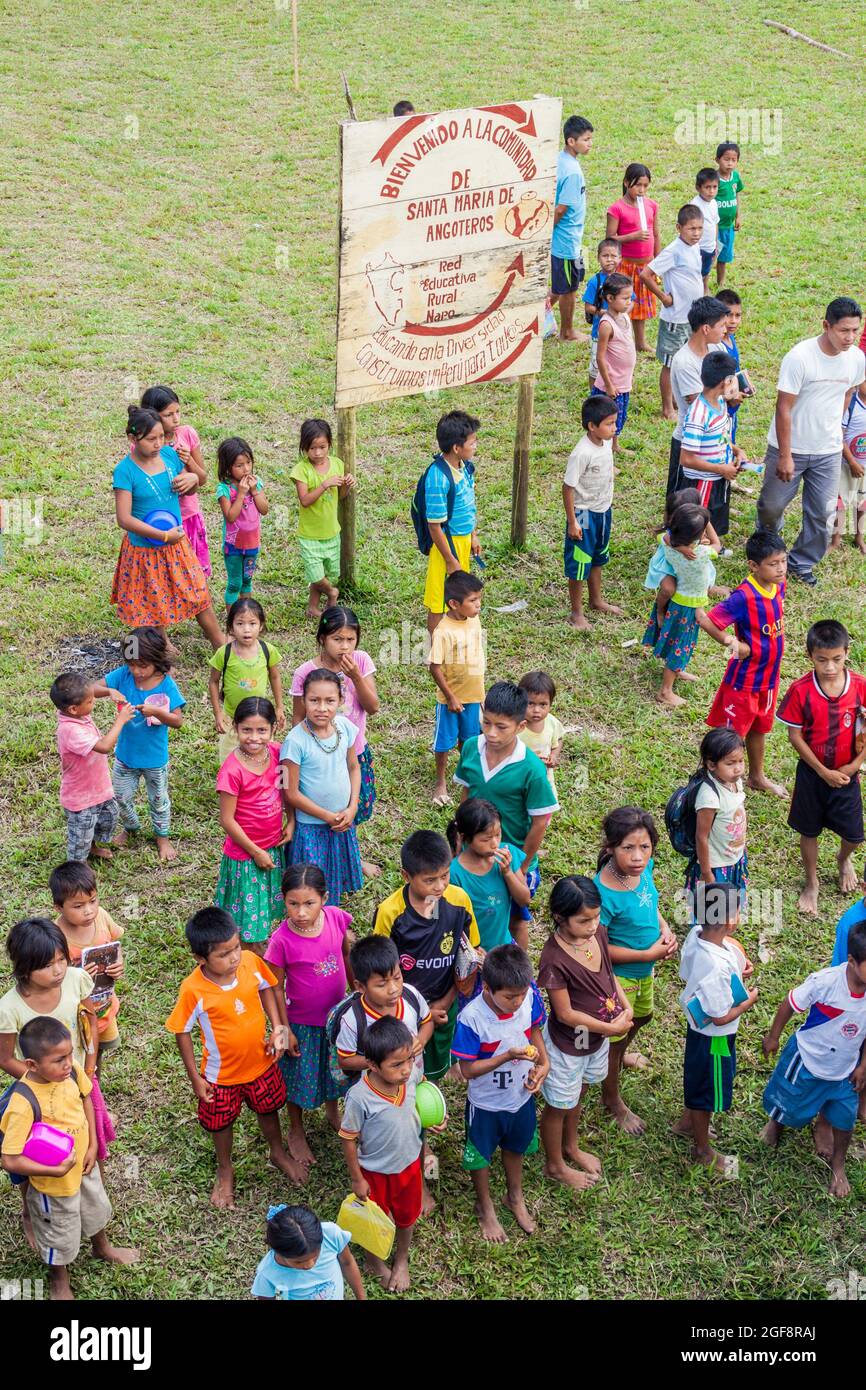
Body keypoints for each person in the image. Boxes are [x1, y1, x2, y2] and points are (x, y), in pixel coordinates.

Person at [165, 907, 302, 1208]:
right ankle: (225, 1168)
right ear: (201, 958)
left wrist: (278, 1027)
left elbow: (269, 988)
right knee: (220, 1123)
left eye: (236, 948)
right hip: (220, 1076)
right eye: (224, 954)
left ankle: (277, 1151)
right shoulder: (193, 990)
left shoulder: (251, 963)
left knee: (268, 1109)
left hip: (261, 1063)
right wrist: (195, 1078)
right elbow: (181, 1032)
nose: (235, 957)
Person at [0, 1018, 138, 1299]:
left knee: (95, 1208)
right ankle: (59, 1280)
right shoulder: (23, 1103)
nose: (67, 1063)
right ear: (32, 1065)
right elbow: (9, 1161)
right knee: (58, 1232)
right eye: (58, 1059)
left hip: (84, 1166)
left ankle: (102, 1247)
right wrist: (55, 1171)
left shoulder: (71, 1071)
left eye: (68, 1055)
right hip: (53, 1186)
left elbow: (86, 1097)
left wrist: (93, 1146)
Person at [757, 298, 865, 587]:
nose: (850, 337)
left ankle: (800, 563)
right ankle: (767, 547)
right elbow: (784, 407)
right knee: (771, 507)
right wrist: (785, 455)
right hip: (791, 448)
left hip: (828, 450)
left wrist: (834, 426)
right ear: (826, 326)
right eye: (844, 330)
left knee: (822, 513)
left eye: (855, 330)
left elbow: (848, 392)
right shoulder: (800, 357)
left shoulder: (856, 358)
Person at [538, 876, 632, 1189]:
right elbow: (564, 1014)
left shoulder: (599, 935)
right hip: (568, 1045)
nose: (592, 925)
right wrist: (611, 1027)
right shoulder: (553, 960)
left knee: (579, 1092)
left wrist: (624, 1003)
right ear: (559, 918)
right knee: (558, 1105)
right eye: (584, 920)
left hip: (597, 1040)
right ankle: (555, 1165)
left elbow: (609, 974)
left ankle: (571, 1145)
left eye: (596, 917)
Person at [761, 919, 866, 1199]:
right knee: (787, 1101)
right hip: (806, 1061)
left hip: (843, 1073)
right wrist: (773, 1037)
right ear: (853, 961)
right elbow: (789, 1004)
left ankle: (838, 1167)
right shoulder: (826, 982)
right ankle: (776, 1123)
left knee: (845, 1122)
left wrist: (862, 1066)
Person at [451, 944, 549, 1242]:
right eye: (509, 997)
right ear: (488, 988)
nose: (517, 1002)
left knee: (516, 1146)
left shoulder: (528, 997)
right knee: (480, 1155)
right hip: (486, 1104)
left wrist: (543, 1064)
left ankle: (514, 1196)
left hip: (520, 1097)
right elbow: (467, 1071)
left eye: (521, 995)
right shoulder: (472, 1019)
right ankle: (485, 1205)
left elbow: (534, 1031)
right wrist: (507, 1057)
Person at [454, 682, 560, 950]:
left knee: (515, 919)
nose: (491, 733)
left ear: (520, 727)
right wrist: (459, 839)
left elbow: (540, 822)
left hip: (509, 859)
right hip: (473, 852)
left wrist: (522, 867)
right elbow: (466, 795)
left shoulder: (531, 768)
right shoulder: (470, 748)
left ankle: (519, 978)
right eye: (486, 722)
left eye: (501, 727)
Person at [0, 917, 114, 1165]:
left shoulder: (77, 979)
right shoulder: (9, 1009)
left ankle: (95, 1193)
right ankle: (33, 1203)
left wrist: (88, 1069)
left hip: (82, 1078)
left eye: (62, 959)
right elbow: (6, 1059)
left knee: (91, 1144)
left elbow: (90, 1022)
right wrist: (46, 1080)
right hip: (41, 1090)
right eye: (47, 965)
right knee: (41, 1151)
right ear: (24, 968)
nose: (59, 969)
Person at [264, 863, 354, 1168]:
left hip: (336, 1018)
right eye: (293, 904)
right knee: (298, 1077)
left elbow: (345, 954)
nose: (301, 912)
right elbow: (274, 989)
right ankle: (296, 1129)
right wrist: (282, 1029)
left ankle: (332, 1111)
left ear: (324, 898)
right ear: (283, 900)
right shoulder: (281, 940)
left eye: (309, 903)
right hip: (300, 1024)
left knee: (334, 1069)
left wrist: (357, 992)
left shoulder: (336, 919)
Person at [594, 807, 677, 1134]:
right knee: (616, 1037)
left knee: (643, 1017)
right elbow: (599, 948)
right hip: (620, 976)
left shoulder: (646, 869)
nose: (638, 856)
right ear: (610, 847)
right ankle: (611, 1099)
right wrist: (646, 953)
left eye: (644, 847)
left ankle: (622, 1053)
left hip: (646, 968)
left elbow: (651, 904)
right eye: (628, 848)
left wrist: (664, 928)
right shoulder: (601, 893)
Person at [110, 404, 221, 647]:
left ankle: (219, 642)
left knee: (198, 592)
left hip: (175, 542)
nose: (158, 443)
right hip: (145, 549)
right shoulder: (125, 472)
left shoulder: (170, 457)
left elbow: (190, 486)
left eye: (161, 436)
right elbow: (124, 519)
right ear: (132, 438)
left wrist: (192, 478)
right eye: (151, 439)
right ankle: (162, 645)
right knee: (151, 599)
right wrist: (163, 535)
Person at [372, 830, 479, 1081]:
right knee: (403, 1065)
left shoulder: (459, 901)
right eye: (430, 880)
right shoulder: (390, 913)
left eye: (445, 876)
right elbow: (380, 969)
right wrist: (414, 1010)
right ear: (406, 876)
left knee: (434, 1067)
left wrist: (444, 1002)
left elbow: (466, 958)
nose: (440, 886)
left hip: (445, 1001)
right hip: (402, 1008)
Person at [776, 619, 866, 914]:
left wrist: (854, 767)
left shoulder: (860, 687)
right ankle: (811, 882)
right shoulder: (800, 690)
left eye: (837, 659)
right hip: (813, 775)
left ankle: (843, 859)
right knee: (809, 831)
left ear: (847, 653)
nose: (829, 667)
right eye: (822, 660)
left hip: (847, 774)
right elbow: (794, 735)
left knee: (854, 835)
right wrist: (822, 771)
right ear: (809, 656)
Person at [698, 529, 789, 795]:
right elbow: (709, 621)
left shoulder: (779, 585)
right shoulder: (744, 596)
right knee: (730, 737)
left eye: (783, 561)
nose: (781, 568)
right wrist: (731, 642)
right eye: (773, 564)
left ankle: (757, 777)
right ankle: (716, 786)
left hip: (769, 679)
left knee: (760, 728)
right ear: (753, 565)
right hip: (744, 682)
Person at [291, 605, 379, 875]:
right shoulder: (305, 672)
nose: (344, 646)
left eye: (350, 639)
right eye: (337, 639)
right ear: (322, 639)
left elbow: (372, 706)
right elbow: (297, 720)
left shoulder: (360, 661)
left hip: (354, 750)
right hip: (319, 756)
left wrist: (354, 676)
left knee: (354, 806)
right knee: (323, 808)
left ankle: (352, 855)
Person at [339, 1016, 425, 1292]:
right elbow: (349, 1139)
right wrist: (356, 1178)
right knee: (375, 1220)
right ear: (373, 1065)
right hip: (375, 1171)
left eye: (410, 1059)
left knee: (407, 1216)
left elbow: (421, 1098)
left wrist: (434, 1117)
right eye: (397, 1064)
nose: (407, 1069)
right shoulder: (359, 1097)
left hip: (410, 1165)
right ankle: (374, 1261)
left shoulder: (411, 1076)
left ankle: (401, 1260)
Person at [677, 883, 758, 1172]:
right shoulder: (716, 967)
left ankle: (689, 1122)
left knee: (698, 1079)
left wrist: (739, 962)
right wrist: (749, 1000)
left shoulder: (696, 935)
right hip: (716, 1039)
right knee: (708, 1090)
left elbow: (726, 948)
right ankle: (703, 1149)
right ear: (728, 921)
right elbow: (721, 1016)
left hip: (697, 1027)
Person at [90, 626, 185, 863]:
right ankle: (131, 827)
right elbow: (90, 688)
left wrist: (157, 712)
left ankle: (162, 836)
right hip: (125, 756)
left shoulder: (166, 684)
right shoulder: (123, 676)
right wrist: (109, 690)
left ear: (157, 660)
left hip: (155, 759)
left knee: (158, 800)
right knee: (120, 797)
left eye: (143, 666)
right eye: (132, 664)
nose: (137, 671)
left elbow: (177, 721)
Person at [215, 696, 293, 952]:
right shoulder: (232, 770)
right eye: (246, 730)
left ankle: (259, 942)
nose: (254, 737)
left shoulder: (278, 753)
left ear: (273, 728)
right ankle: (252, 951)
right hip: (246, 854)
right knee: (247, 912)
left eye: (262, 730)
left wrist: (290, 821)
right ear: (235, 728)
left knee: (266, 904)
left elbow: (285, 789)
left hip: (273, 845)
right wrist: (255, 851)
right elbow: (227, 820)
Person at [280, 668, 363, 902]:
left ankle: (332, 919)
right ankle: (315, 924)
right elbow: (291, 793)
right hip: (312, 827)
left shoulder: (345, 727)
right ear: (303, 700)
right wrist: (327, 816)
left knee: (334, 878)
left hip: (342, 820)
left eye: (330, 701)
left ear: (341, 700)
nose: (322, 708)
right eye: (314, 700)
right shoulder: (294, 742)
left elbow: (353, 767)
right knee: (310, 886)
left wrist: (353, 807)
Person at [50, 861, 124, 1079]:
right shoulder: (56, 936)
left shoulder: (101, 917)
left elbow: (114, 946)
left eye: (93, 901)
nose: (89, 910)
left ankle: (94, 1091)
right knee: (73, 1058)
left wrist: (119, 964)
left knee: (96, 1053)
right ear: (59, 907)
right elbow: (51, 977)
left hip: (103, 1006)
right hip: (74, 1014)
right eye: (78, 906)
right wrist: (76, 973)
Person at [641, 502, 718, 708]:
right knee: (681, 646)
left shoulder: (669, 545)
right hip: (690, 606)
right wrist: (708, 521)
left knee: (677, 641)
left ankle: (677, 670)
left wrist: (683, 545)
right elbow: (718, 546)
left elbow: (664, 537)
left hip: (678, 603)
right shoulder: (700, 554)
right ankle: (665, 692)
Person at [50, 672, 130, 863]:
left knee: (109, 817)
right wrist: (120, 720)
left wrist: (109, 690)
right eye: (90, 701)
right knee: (81, 834)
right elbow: (104, 747)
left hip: (98, 788)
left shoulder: (76, 715)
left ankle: (92, 847)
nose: (93, 702)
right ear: (73, 708)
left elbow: (91, 690)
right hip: (81, 797)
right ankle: (78, 866)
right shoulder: (70, 730)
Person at [333, 935, 432, 1083]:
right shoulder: (353, 1020)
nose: (393, 989)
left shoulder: (411, 995)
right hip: (375, 1092)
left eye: (397, 977)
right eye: (381, 984)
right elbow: (345, 1060)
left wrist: (421, 1040)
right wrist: (381, 1060)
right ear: (360, 986)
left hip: (413, 1080)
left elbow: (427, 1021)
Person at [562, 394, 622, 631]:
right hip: (584, 514)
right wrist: (572, 522)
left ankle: (596, 600)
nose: (614, 428)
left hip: (604, 511)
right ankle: (576, 612)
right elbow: (567, 488)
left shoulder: (605, 442)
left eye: (615, 422)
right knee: (579, 563)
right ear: (591, 426)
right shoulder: (581, 453)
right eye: (609, 424)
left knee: (598, 557)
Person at [640, 205, 705, 419]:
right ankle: (667, 407)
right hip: (675, 319)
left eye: (699, 229)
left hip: (691, 317)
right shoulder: (673, 250)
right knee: (670, 363)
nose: (696, 233)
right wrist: (663, 297)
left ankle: (678, 399)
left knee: (686, 360)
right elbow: (646, 274)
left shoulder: (694, 247)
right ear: (679, 228)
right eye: (691, 229)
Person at [420, 410, 481, 635]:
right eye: (472, 442)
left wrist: (473, 535)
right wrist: (449, 559)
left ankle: (455, 635)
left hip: (463, 541)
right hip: (445, 545)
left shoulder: (465, 468)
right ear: (457, 448)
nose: (475, 446)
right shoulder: (438, 478)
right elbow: (434, 526)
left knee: (460, 593)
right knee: (438, 597)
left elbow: (469, 505)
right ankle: (436, 643)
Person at [140, 384, 210, 576]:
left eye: (178, 412)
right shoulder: (146, 445)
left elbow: (203, 478)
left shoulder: (187, 434)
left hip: (189, 515)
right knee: (167, 574)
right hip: (160, 520)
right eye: (168, 415)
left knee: (193, 574)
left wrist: (191, 469)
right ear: (153, 416)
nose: (176, 418)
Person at [675, 350, 746, 538]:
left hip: (717, 476)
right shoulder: (699, 414)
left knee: (714, 516)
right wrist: (720, 469)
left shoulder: (721, 402)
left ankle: (714, 546)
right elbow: (686, 458)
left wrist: (736, 450)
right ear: (726, 381)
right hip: (702, 481)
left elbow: (720, 436)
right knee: (699, 522)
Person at [429, 569, 485, 805]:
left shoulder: (473, 620)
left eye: (479, 599)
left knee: (470, 739)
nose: (478, 605)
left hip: (474, 694)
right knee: (444, 742)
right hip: (451, 699)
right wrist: (450, 697)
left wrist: (482, 693)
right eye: (473, 601)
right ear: (454, 603)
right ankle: (440, 781)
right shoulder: (443, 631)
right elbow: (434, 667)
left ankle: (468, 775)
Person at [666, 296, 730, 498]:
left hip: (714, 435)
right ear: (705, 329)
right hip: (690, 439)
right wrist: (732, 395)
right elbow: (698, 403)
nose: (725, 330)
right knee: (680, 495)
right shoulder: (685, 362)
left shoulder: (716, 348)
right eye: (721, 326)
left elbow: (731, 378)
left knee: (706, 496)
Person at [446, 798, 530, 951]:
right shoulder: (454, 873)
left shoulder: (508, 855)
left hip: (503, 947)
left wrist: (508, 872)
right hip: (473, 952)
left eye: (498, 834)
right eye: (486, 839)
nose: (494, 843)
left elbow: (524, 899)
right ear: (465, 837)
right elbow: (450, 920)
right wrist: (472, 948)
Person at [291, 418, 355, 619]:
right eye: (312, 448)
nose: (317, 453)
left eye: (322, 447)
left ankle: (313, 607)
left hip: (331, 532)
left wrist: (347, 484)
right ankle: (332, 592)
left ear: (329, 445)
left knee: (326, 574)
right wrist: (324, 485)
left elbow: (341, 496)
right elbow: (305, 500)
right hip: (309, 534)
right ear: (304, 447)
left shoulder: (337, 464)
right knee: (315, 575)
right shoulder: (301, 470)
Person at [209, 597, 284, 764]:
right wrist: (218, 712)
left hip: (259, 716)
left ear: (261, 625)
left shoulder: (267, 650)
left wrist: (279, 707)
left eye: (252, 623)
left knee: (262, 755)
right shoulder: (224, 653)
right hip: (231, 717)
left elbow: (275, 676)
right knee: (230, 758)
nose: (246, 630)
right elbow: (213, 682)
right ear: (231, 628)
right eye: (240, 624)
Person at [684, 729, 748, 912]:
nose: (738, 768)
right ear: (711, 765)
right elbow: (701, 837)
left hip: (733, 856)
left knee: (727, 904)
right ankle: (708, 935)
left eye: (741, 761)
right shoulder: (709, 797)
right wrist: (706, 873)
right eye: (730, 763)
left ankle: (725, 926)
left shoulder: (735, 781)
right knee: (712, 907)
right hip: (715, 864)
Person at [252, 1201, 365, 1300]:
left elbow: (347, 1263)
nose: (309, 1265)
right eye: (299, 1262)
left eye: (316, 1256)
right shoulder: (269, 1275)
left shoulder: (330, 1235)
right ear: (278, 1251)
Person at [605, 163, 660, 353]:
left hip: (646, 265)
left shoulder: (651, 205)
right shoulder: (617, 209)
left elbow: (656, 234)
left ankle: (641, 342)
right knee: (623, 304)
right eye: (638, 185)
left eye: (645, 186)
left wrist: (658, 260)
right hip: (626, 266)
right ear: (627, 183)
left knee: (641, 307)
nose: (642, 190)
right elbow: (610, 239)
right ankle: (618, 338)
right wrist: (632, 237)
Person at [645, 486, 726, 612]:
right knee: (668, 590)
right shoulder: (671, 529)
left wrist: (703, 542)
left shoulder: (698, 523)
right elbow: (663, 537)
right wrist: (681, 548)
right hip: (667, 564)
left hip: (691, 566)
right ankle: (660, 611)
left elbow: (711, 542)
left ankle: (710, 588)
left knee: (699, 582)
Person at [550, 115, 593, 342]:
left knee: (561, 285)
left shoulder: (561, 160)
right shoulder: (573, 173)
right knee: (569, 288)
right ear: (571, 141)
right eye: (586, 139)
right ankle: (567, 332)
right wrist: (549, 233)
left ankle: (538, 315)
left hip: (571, 240)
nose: (590, 144)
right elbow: (560, 210)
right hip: (566, 241)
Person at [216, 436, 269, 610]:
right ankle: (232, 623)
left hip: (252, 544)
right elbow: (230, 516)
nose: (246, 469)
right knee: (234, 583)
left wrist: (254, 491)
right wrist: (240, 493)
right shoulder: (224, 489)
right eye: (239, 465)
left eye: (248, 462)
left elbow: (264, 509)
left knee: (247, 581)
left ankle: (246, 616)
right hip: (233, 547)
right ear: (227, 467)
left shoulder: (256, 483)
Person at [592, 273, 637, 448]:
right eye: (625, 298)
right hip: (611, 385)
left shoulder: (624, 316)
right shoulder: (606, 325)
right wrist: (609, 384)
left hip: (623, 382)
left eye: (630, 297)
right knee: (606, 420)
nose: (629, 302)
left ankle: (615, 446)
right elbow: (600, 356)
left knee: (617, 417)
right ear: (610, 298)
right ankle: (604, 453)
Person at [832, 374, 866, 553]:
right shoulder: (851, 405)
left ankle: (859, 536)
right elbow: (840, 434)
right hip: (847, 464)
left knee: (862, 502)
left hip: (865, 467)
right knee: (842, 502)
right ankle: (836, 538)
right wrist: (851, 461)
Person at [517, 670, 565, 798]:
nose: (536, 710)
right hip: (519, 779)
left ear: (551, 704)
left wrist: (554, 756)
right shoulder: (515, 725)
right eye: (530, 703)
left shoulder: (552, 723)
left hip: (544, 779)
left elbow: (558, 740)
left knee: (544, 808)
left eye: (543, 704)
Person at [715, 289, 753, 445]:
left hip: (732, 408)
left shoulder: (731, 338)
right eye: (729, 315)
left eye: (738, 315)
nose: (733, 321)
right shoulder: (716, 345)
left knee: (730, 443)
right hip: (721, 408)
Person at [582, 238, 622, 384]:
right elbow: (588, 307)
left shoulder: (622, 281)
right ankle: (594, 394)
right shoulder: (595, 281)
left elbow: (631, 301)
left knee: (614, 364)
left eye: (614, 256)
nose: (610, 260)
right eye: (605, 256)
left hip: (618, 333)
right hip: (599, 333)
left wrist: (623, 313)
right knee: (596, 364)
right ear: (598, 258)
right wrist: (604, 312)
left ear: (620, 258)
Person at [714, 142, 743, 289]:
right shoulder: (714, 180)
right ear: (717, 159)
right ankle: (702, 281)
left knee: (723, 257)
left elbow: (737, 195)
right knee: (710, 255)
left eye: (734, 160)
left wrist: (738, 216)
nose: (730, 163)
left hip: (729, 226)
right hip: (715, 227)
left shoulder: (735, 177)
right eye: (726, 159)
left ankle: (721, 282)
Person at [690, 168, 720, 294]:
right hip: (698, 247)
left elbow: (715, 223)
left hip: (710, 246)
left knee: (706, 270)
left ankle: (705, 287)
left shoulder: (714, 203)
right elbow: (690, 228)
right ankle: (695, 292)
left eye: (714, 187)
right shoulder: (695, 205)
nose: (711, 191)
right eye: (707, 187)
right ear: (698, 188)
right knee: (695, 272)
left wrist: (716, 243)